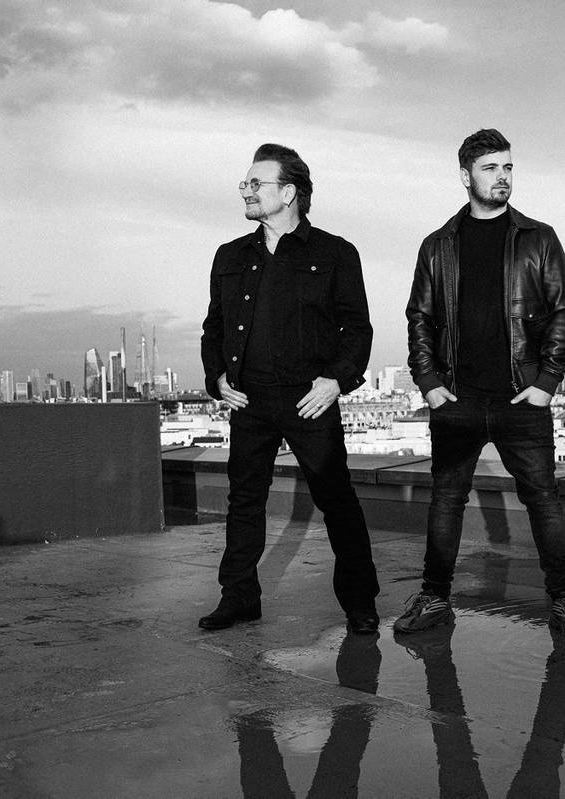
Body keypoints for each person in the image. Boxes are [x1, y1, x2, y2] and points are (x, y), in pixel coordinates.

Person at [398, 128, 565, 638]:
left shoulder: (538, 238)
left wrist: (547, 380)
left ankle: (564, 601)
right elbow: (419, 317)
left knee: (543, 501)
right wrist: (428, 381)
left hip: (521, 395)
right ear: (466, 176)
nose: (502, 177)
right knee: (446, 501)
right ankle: (435, 598)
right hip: (456, 397)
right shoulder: (438, 245)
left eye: (507, 167)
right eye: (490, 168)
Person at [199, 143, 380, 634]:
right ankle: (239, 597)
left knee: (336, 500)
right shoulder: (230, 256)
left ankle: (360, 604)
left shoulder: (336, 253)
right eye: (245, 183)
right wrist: (218, 379)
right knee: (244, 502)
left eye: (256, 183)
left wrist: (336, 381)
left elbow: (357, 329)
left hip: (309, 399)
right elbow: (215, 328)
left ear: (289, 192)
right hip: (249, 398)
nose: (246, 190)